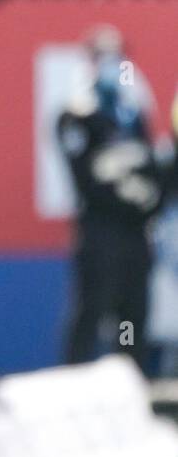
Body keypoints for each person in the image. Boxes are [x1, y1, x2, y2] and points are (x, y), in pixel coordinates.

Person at [58, 26, 164, 375]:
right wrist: (124, 191)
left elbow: (151, 172)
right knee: (91, 311)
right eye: (102, 56)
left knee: (132, 316)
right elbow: (85, 179)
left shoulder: (134, 113)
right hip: (99, 233)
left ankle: (131, 384)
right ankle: (71, 382)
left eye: (116, 56)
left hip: (135, 233)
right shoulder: (77, 115)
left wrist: (144, 199)